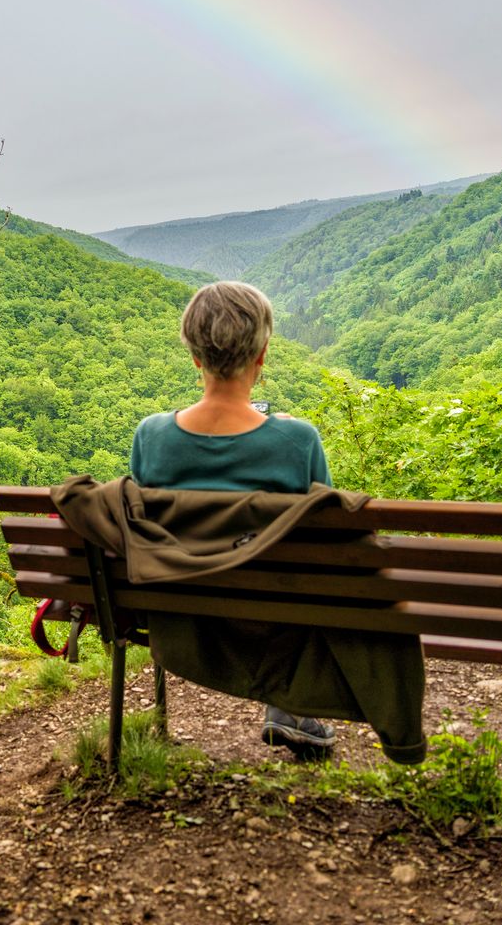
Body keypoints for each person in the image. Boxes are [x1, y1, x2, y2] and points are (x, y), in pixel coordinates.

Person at [129, 280, 337, 759]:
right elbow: (326, 533)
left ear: (195, 357)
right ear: (262, 356)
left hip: (181, 608)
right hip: (273, 613)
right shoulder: (298, 440)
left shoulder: (152, 436)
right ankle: (289, 705)